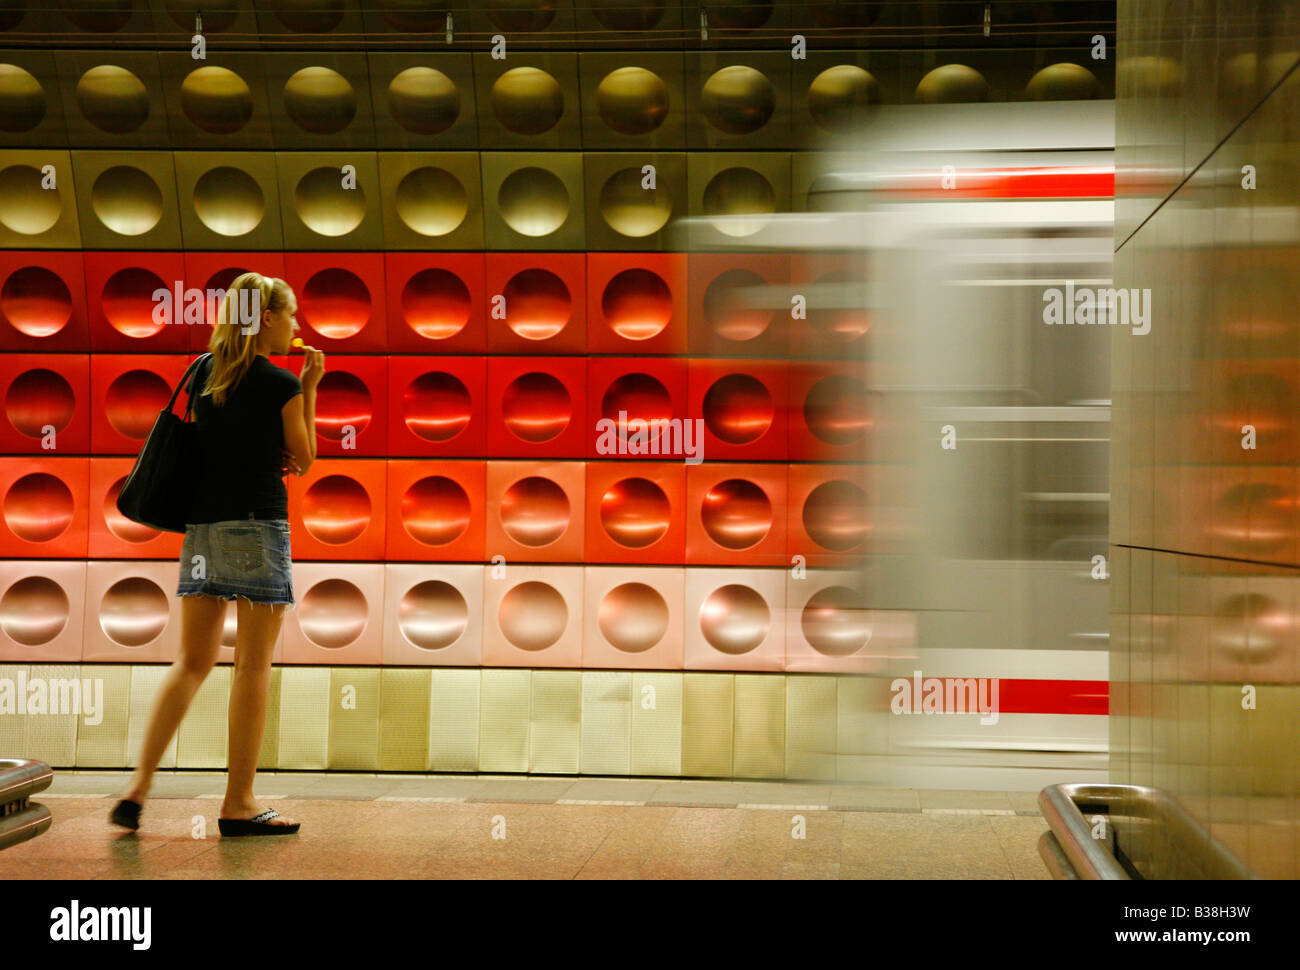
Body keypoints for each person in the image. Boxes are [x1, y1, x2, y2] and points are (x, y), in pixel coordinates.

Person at [109, 272, 325, 837]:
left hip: (202, 532)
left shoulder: (205, 372)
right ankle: (239, 801)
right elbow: (303, 459)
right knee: (251, 667)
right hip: (257, 529)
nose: (298, 326)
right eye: (291, 316)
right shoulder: (280, 383)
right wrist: (312, 386)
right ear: (269, 319)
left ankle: (138, 787)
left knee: (191, 662)